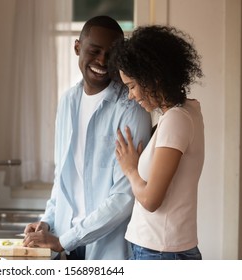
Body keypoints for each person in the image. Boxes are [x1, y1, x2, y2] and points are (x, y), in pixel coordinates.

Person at [22, 16, 152, 260]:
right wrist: (47, 223)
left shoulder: (131, 108)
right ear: (77, 47)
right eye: (94, 51)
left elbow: (125, 196)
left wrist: (64, 240)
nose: (102, 60)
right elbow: (62, 178)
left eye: (111, 54)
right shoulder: (68, 101)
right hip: (64, 246)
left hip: (108, 251)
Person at [111, 25, 204, 260]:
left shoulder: (176, 119)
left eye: (132, 86)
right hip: (160, 250)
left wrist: (131, 169)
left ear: (152, 77)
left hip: (161, 252)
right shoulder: (184, 112)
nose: (130, 95)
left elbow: (151, 200)